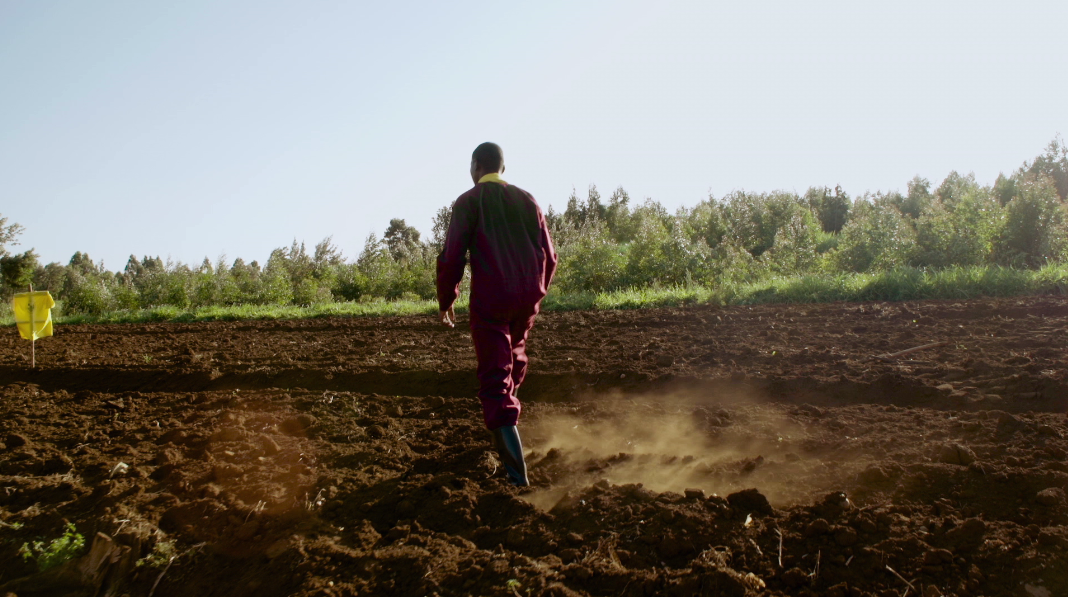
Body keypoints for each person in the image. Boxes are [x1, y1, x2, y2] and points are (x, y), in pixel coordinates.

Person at [436, 142, 557, 486]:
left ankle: (517, 479)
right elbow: (549, 255)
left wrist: (447, 300)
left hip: (491, 301)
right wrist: (537, 292)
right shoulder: (528, 200)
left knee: (495, 377)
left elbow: (452, 257)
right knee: (514, 362)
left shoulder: (469, 202)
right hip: (526, 298)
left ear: (476, 166)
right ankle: (504, 436)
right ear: (502, 168)